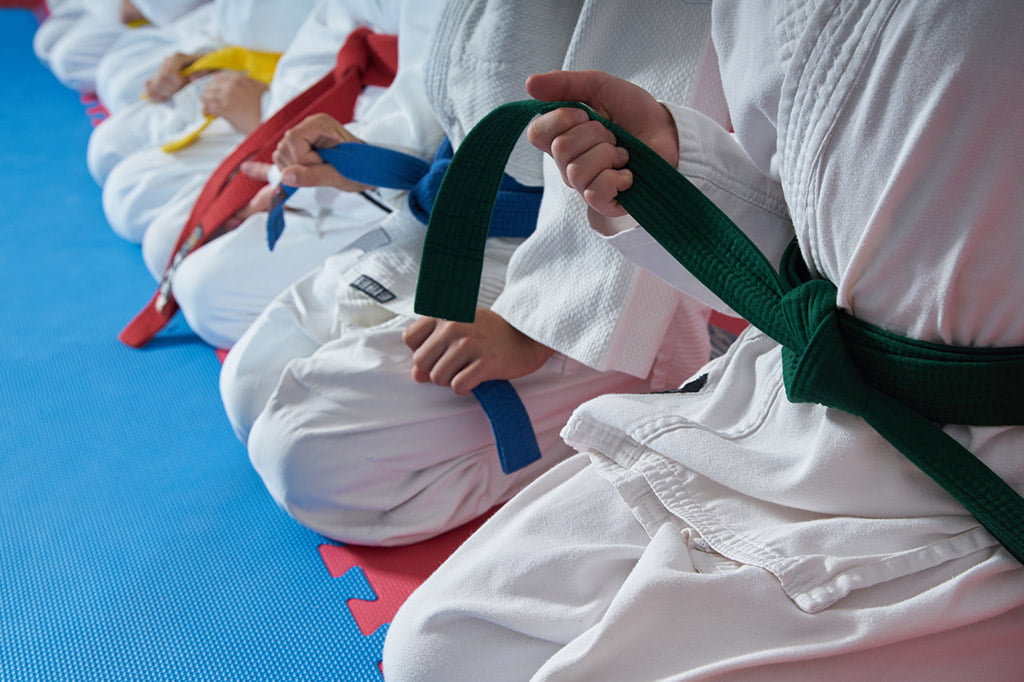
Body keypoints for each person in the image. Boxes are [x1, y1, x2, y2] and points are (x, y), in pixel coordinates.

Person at [382, 2, 1024, 679]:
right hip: (790, 403)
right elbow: (819, 243)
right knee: (440, 649)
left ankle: (614, 356)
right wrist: (677, 167)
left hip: (981, 474)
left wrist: (549, 317)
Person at [218, 0, 724, 547]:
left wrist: (533, 327)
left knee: (304, 450)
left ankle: (639, 376)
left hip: (599, 274)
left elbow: (657, 139)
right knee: (249, 386)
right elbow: (441, 87)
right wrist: (368, 150)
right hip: (456, 226)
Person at [85, 0, 315, 187]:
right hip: (240, 63)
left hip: (297, 116)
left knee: (132, 192)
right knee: (109, 144)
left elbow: (335, 66)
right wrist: (200, 55)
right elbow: (238, 16)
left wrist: (263, 118)